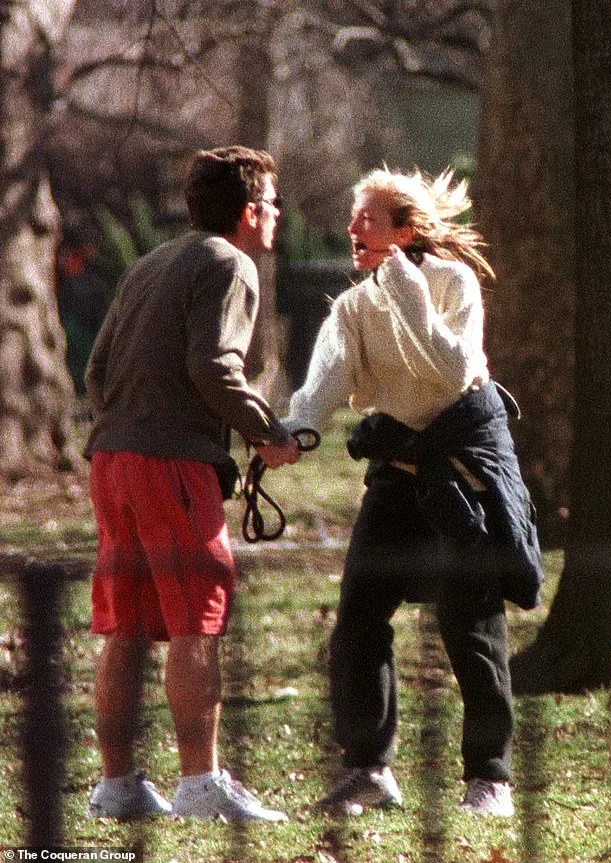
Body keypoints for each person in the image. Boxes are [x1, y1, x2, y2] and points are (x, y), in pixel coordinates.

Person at [282, 166, 544, 817]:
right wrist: (287, 438)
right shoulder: (353, 306)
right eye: (353, 221)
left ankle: (491, 778)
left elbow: (454, 369)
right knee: (358, 620)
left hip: (465, 477)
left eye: (366, 219)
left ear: (405, 229)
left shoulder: (452, 283)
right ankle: (368, 768)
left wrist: (402, 285)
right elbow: (319, 391)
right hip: (397, 477)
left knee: (470, 625)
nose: (352, 230)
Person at [84, 146, 299, 821]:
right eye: (271, 202)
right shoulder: (231, 263)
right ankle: (200, 784)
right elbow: (214, 366)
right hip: (171, 464)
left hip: (110, 459)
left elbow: (95, 372)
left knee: (127, 625)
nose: (278, 214)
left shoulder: (150, 262)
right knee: (195, 620)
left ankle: (116, 787)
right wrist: (269, 432)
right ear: (247, 211)